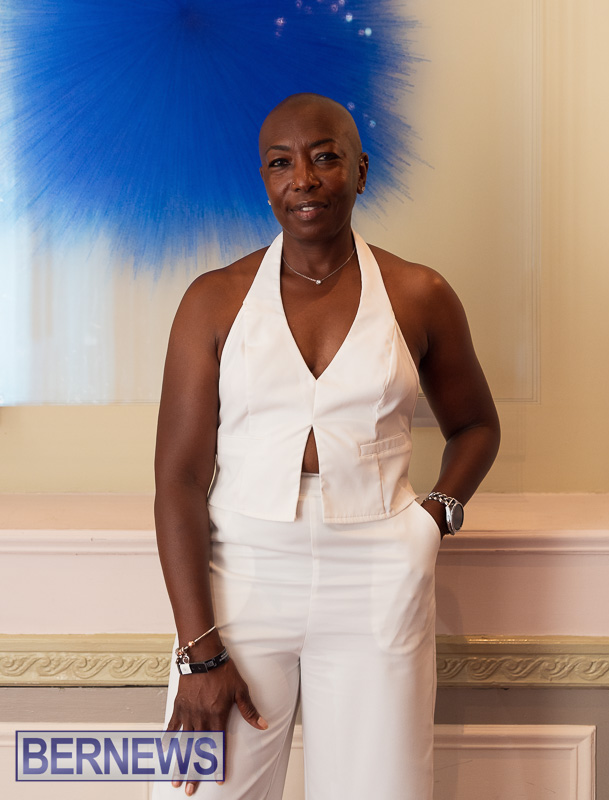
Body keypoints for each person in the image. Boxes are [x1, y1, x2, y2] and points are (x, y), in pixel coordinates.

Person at [153, 93, 500, 800]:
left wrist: (434, 518)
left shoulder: (419, 293)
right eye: (281, 163)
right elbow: (179, 480)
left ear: (360, 170)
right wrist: (197, 654)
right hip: (241, 575)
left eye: (325, 157)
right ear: (264, 179)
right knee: (202, 790)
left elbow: (476, 427)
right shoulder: (213, 300)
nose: (303, 179)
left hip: (379, 575)